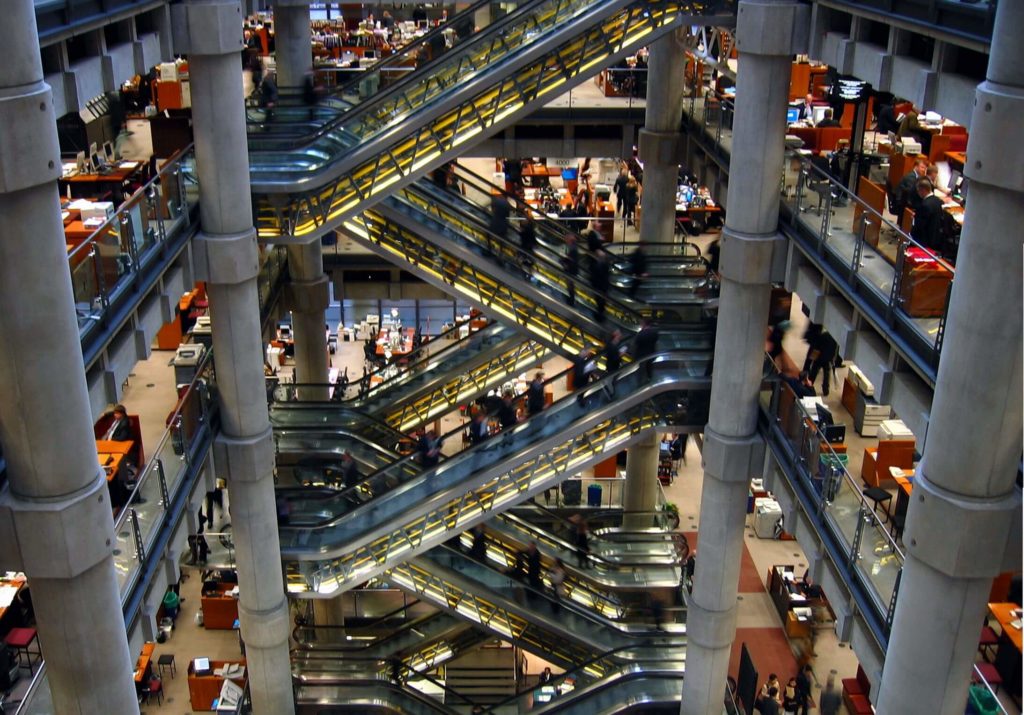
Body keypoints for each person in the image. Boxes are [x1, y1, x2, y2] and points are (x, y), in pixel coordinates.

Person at [910, 178, 945, 252]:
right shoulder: (937, 200)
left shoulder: (925, 205)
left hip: (925, 240)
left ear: (923, 190)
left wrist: (914, 218)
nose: (918, 193)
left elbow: (919, 225)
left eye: (918, 191)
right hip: (936, 236)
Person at [590, 248, 610, 322]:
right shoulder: (603, 265)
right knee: (600, 303)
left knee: (600, 303)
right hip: (601, 288)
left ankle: (600, 317)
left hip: (600, 288)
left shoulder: (600, 265)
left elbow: (597, 277)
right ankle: (600, 316)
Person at [562, 233, 579, 306]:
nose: (565, 241)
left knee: (570, 286)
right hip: (571, 270)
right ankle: (571, 299)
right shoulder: (572, 247)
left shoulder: (572, 248)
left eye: (566, 239)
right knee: (570, 286)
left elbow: (571, 259)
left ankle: (571, 301)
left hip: (571, 270)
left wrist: (565, 262)